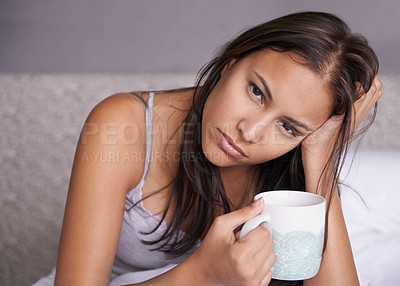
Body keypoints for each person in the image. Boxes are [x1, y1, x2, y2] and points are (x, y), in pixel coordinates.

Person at [33, 11, 382, 286]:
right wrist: (202, 273)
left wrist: (321, 154)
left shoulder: (294, 160)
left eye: (288, 127)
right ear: (231, 62)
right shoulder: (123, 124)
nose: (250, 131)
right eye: (256, 92)